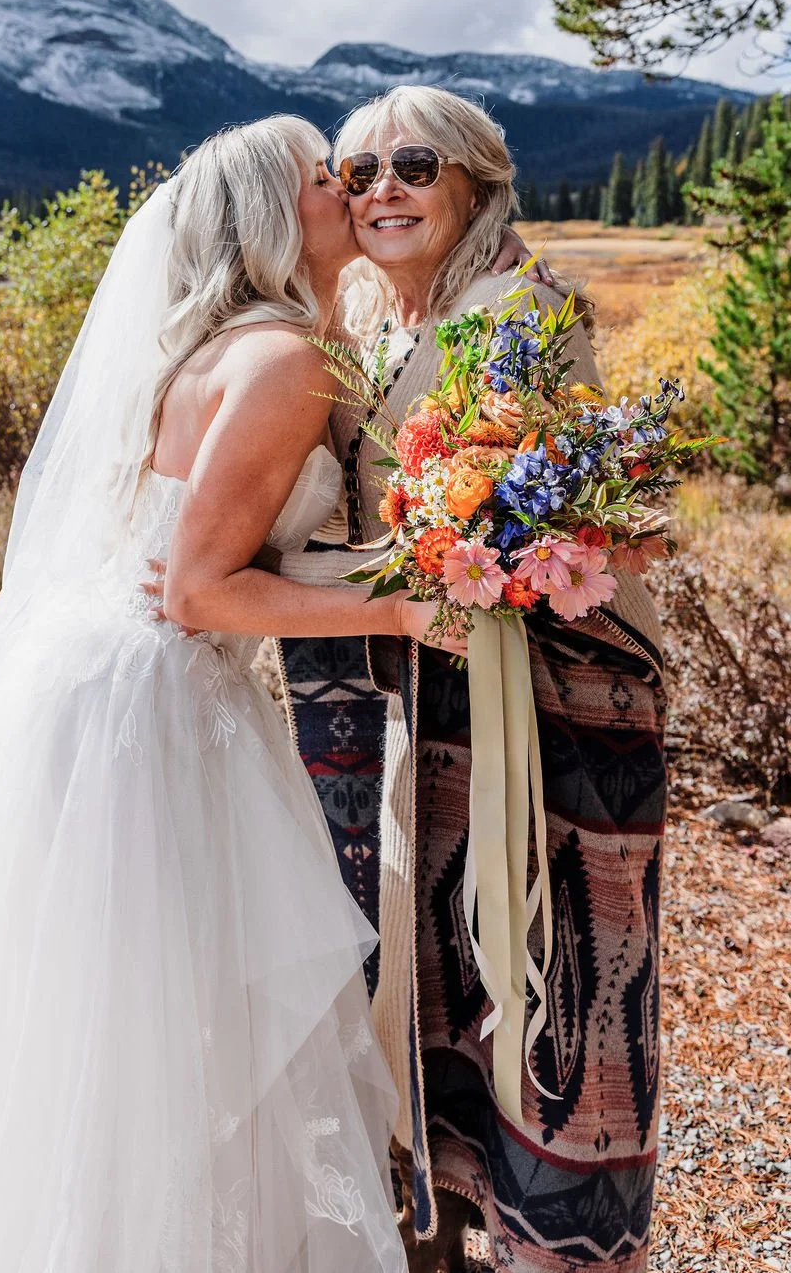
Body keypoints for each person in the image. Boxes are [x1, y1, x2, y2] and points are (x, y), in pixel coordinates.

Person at [0, 116, 459, 1273]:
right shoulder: (287, 357)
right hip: (150, 705)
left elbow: (208, 559)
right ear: (266, 215)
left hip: (108, 685)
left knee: (100, 1015)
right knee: (145, 1018)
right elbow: (202, 589)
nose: (351, 189)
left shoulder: (233, 346)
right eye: (326, 176)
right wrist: (403, 608)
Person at [276, 86, 668, 1273]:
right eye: (358, 173)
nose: (381, 188)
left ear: (472, 182)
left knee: (554, 976)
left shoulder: (519, 314)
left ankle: (562, 1240)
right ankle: (441, 1227)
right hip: (423, 699)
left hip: (551, 718)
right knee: (429, 971)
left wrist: (460, 557)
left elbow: (603, 529)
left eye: (412, 164)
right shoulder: (361, 315)